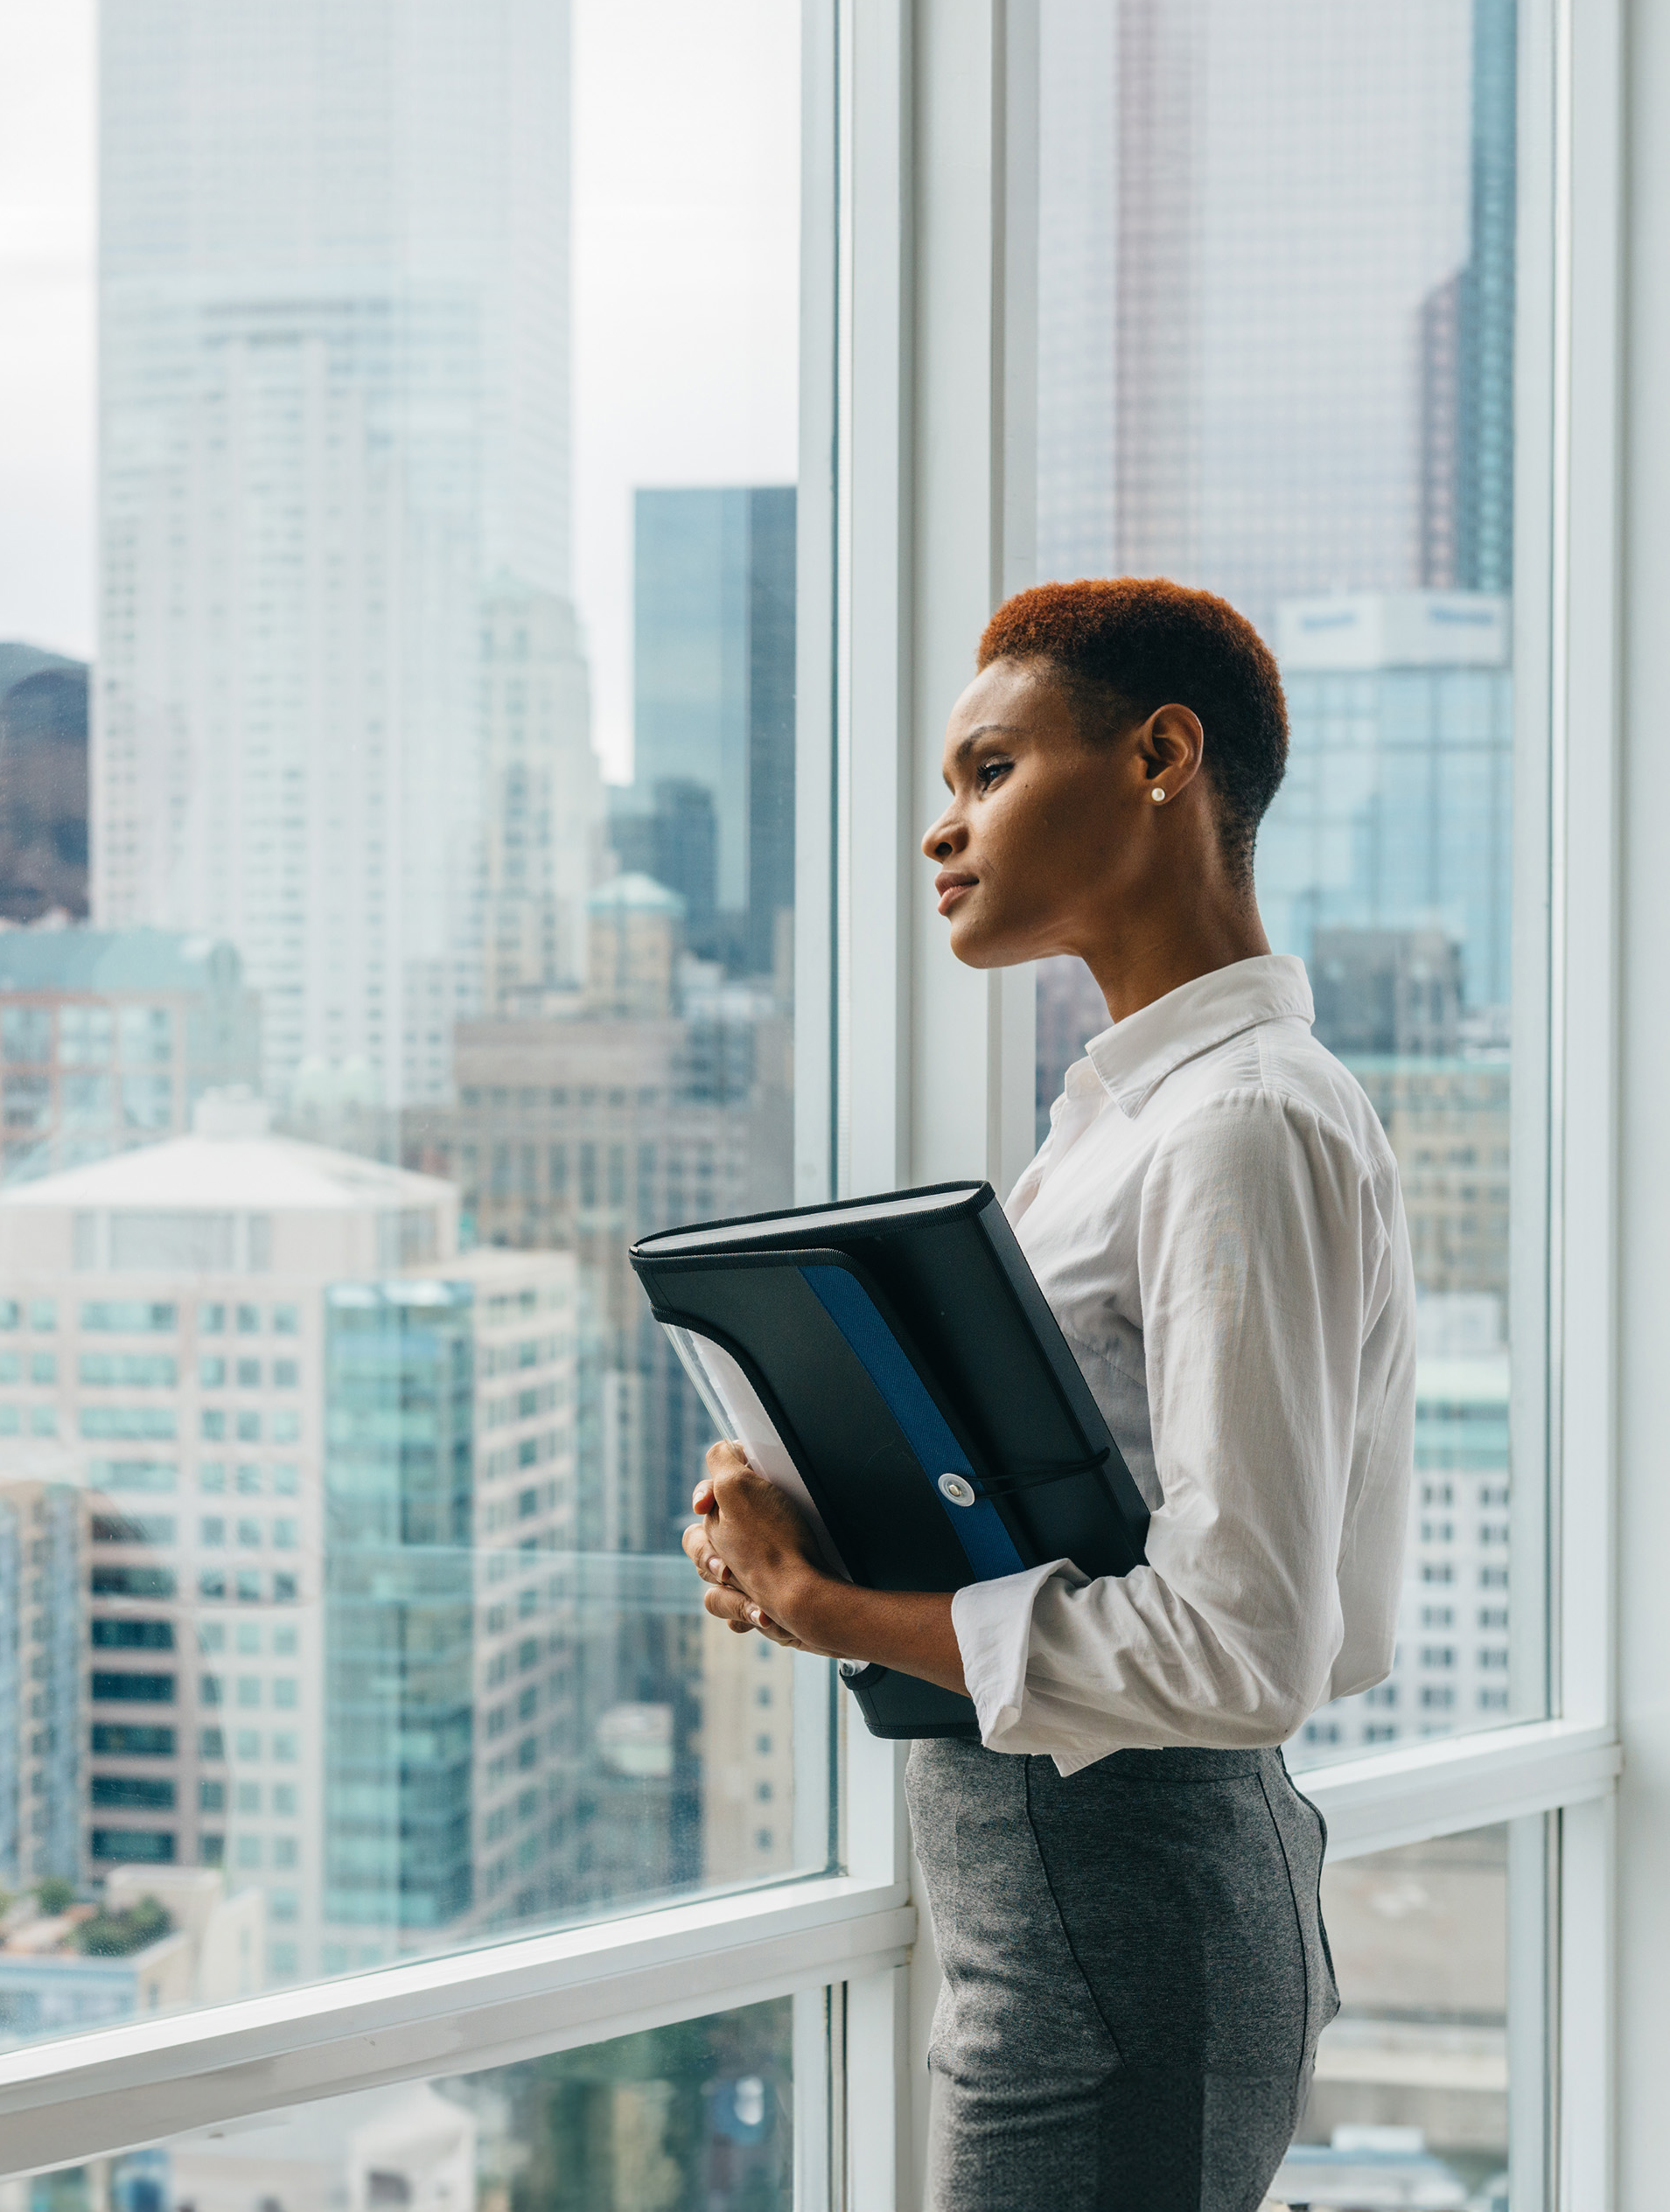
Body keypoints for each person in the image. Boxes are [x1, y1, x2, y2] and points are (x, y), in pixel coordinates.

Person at [679, 577, 1415, 2211]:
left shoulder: (1235, 1125)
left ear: (1163, 756)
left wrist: (836, 1610)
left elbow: (1245, 1646)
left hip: (1126, 1940)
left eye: (990, 772)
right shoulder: (1125, 1122)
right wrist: (806, 1523)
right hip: (1074, 1933)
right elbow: (1075, 1515)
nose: (945, 832)